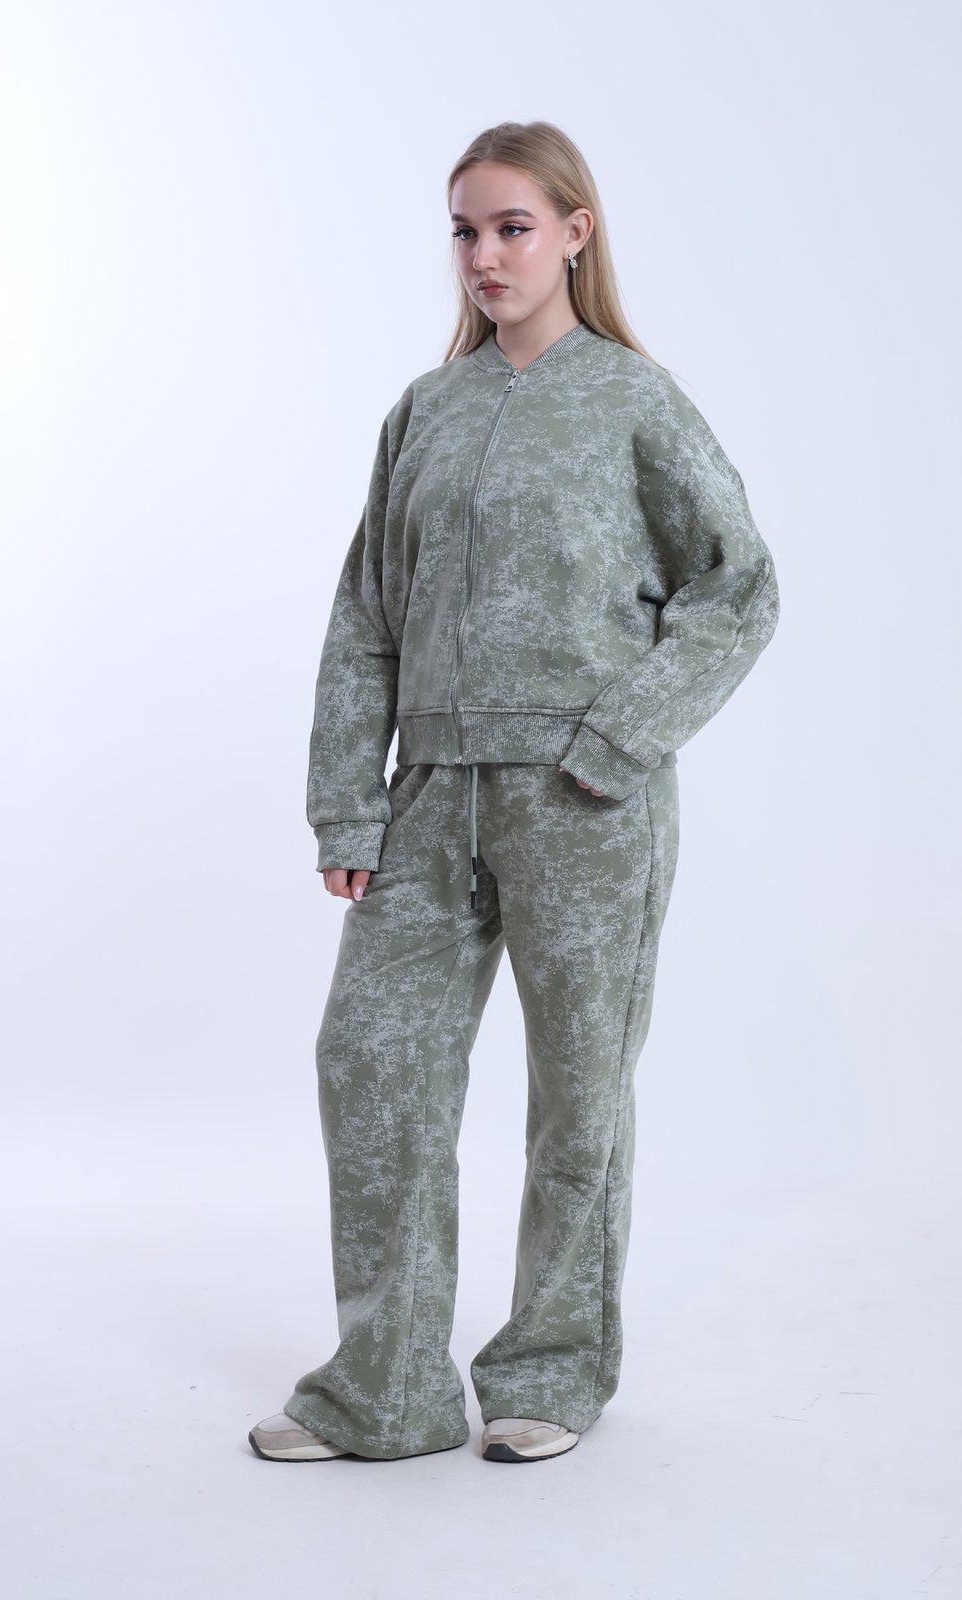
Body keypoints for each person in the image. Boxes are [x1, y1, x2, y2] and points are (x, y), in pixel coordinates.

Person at [250, 120, 781, 1465]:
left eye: (512, 228)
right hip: (431, 793)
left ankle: (551, 1369)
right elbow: (365, 616)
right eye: (466, 231)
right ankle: (386, 1388)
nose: (485, 255)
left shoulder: (637, 401)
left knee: (578, 1093)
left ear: (574, 234)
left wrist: (617, 741)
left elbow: (738, 588)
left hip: (584, 802)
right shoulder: (425, 412)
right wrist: (348, 801)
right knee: (371, 1062)